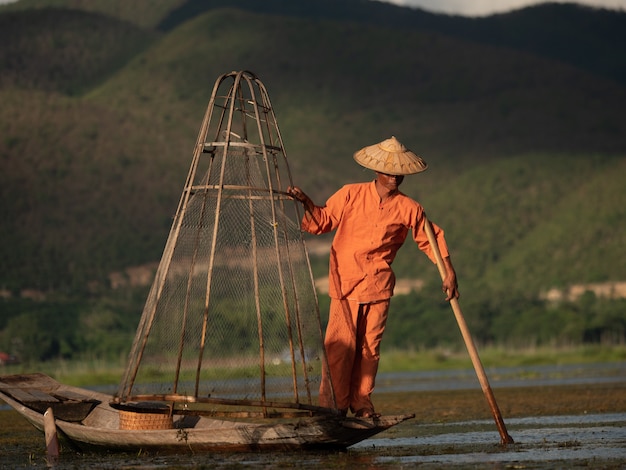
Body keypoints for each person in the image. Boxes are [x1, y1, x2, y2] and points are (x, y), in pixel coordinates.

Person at [287, 136, 460, 418]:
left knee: (369, 350)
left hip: (378, 285)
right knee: (340, 347)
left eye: (398, 173)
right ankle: (334, 407)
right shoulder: (350, 194)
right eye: (389, 172)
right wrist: (306, 201)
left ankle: (362, 404)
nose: (394, 177)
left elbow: (432, 238)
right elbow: (322, 221)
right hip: (345, 283)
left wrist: (449, 272)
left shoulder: (410, 208)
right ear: (377, 171)